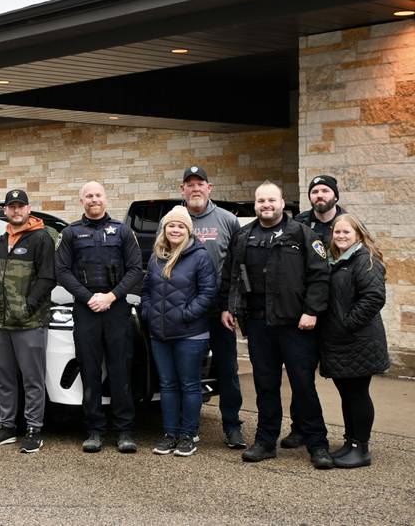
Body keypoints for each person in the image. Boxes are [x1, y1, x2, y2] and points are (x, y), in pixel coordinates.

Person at [220, 181, 334, 469]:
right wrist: (228, 307)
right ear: (255, 205)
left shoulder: (302, 234)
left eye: (271, 200)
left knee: (303, 386)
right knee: (265, 386)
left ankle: (317, 444)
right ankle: (265, 442)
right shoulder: (244, 236)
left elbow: (320, 276)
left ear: (283, 203)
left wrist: (311, 311)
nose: (266, 205)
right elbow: (231, 275)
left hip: (296, 325)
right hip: (259, 325)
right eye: (261, 201)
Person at [55, 181, 143, 453]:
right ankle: (94, 430)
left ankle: (124, 431)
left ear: (106, 199)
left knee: (120, 371)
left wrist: (111, 296)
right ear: (82, 201)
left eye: (98, 195)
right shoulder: (70, 233)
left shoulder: (123, 231)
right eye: (88, 196)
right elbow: (62, 271)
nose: (94, 199)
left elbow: (135, 269)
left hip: (115, 309)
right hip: (86, 309)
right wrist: (88, 297)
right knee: (90, 370)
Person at [0, 189, 55, 454]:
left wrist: (27, 306)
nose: (15, 210)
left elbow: (48, 278)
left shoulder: (41, 239)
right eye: (11, 207)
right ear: (5, 211)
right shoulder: (1, 241)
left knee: (32, 379)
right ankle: (7, 426)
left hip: (29, 323)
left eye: (20, 206)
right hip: (1, 322)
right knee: (4, 378)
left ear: (28, 209)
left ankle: (34, 429)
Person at [141, 206, 217, 457]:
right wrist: (149, 313)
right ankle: (170, 433)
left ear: (188, 230)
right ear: (164, 229)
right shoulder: (156, 257)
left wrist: (185, 314)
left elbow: (208, 293)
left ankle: (188, 435)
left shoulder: (199, 256)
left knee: (189, 384)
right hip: (160, 334)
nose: (175, 229)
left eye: (180, 226)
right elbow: (146, 291)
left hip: (190, 333)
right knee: (167, 385)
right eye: (171, 225)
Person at [179, 166, 246, 449]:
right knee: (188, 371)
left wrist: (231, 306)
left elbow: (238, 267)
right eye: (189, 184)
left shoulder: (228, 220)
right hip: (187, 309)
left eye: (200, 183)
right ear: (182, 189)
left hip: (220, 309)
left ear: (210, 188)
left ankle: (232, 426)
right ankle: (187, 427)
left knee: (227, 369)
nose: (195, 188)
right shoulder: (174, 220)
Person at [320, 214, 389, 468]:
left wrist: (347, 324)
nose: (340, 236)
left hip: (358, 341)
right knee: (347, 394)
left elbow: (373, 298)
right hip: (340, 343)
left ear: (358, 234)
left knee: (357, 394)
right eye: (337, 232)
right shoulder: (338, 260)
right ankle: (350, 442)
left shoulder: (365, 260)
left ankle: (361, 448)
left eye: (346, 232)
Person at [283, 174, 346, 449]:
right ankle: (300, 428)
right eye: (315, 191)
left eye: (324, 191)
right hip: (306, 313)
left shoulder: (346, 224)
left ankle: (353, 438)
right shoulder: (299, 224)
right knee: (301, 375)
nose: (319, 196)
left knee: (345, 380)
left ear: (335, 195)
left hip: (336, 313)